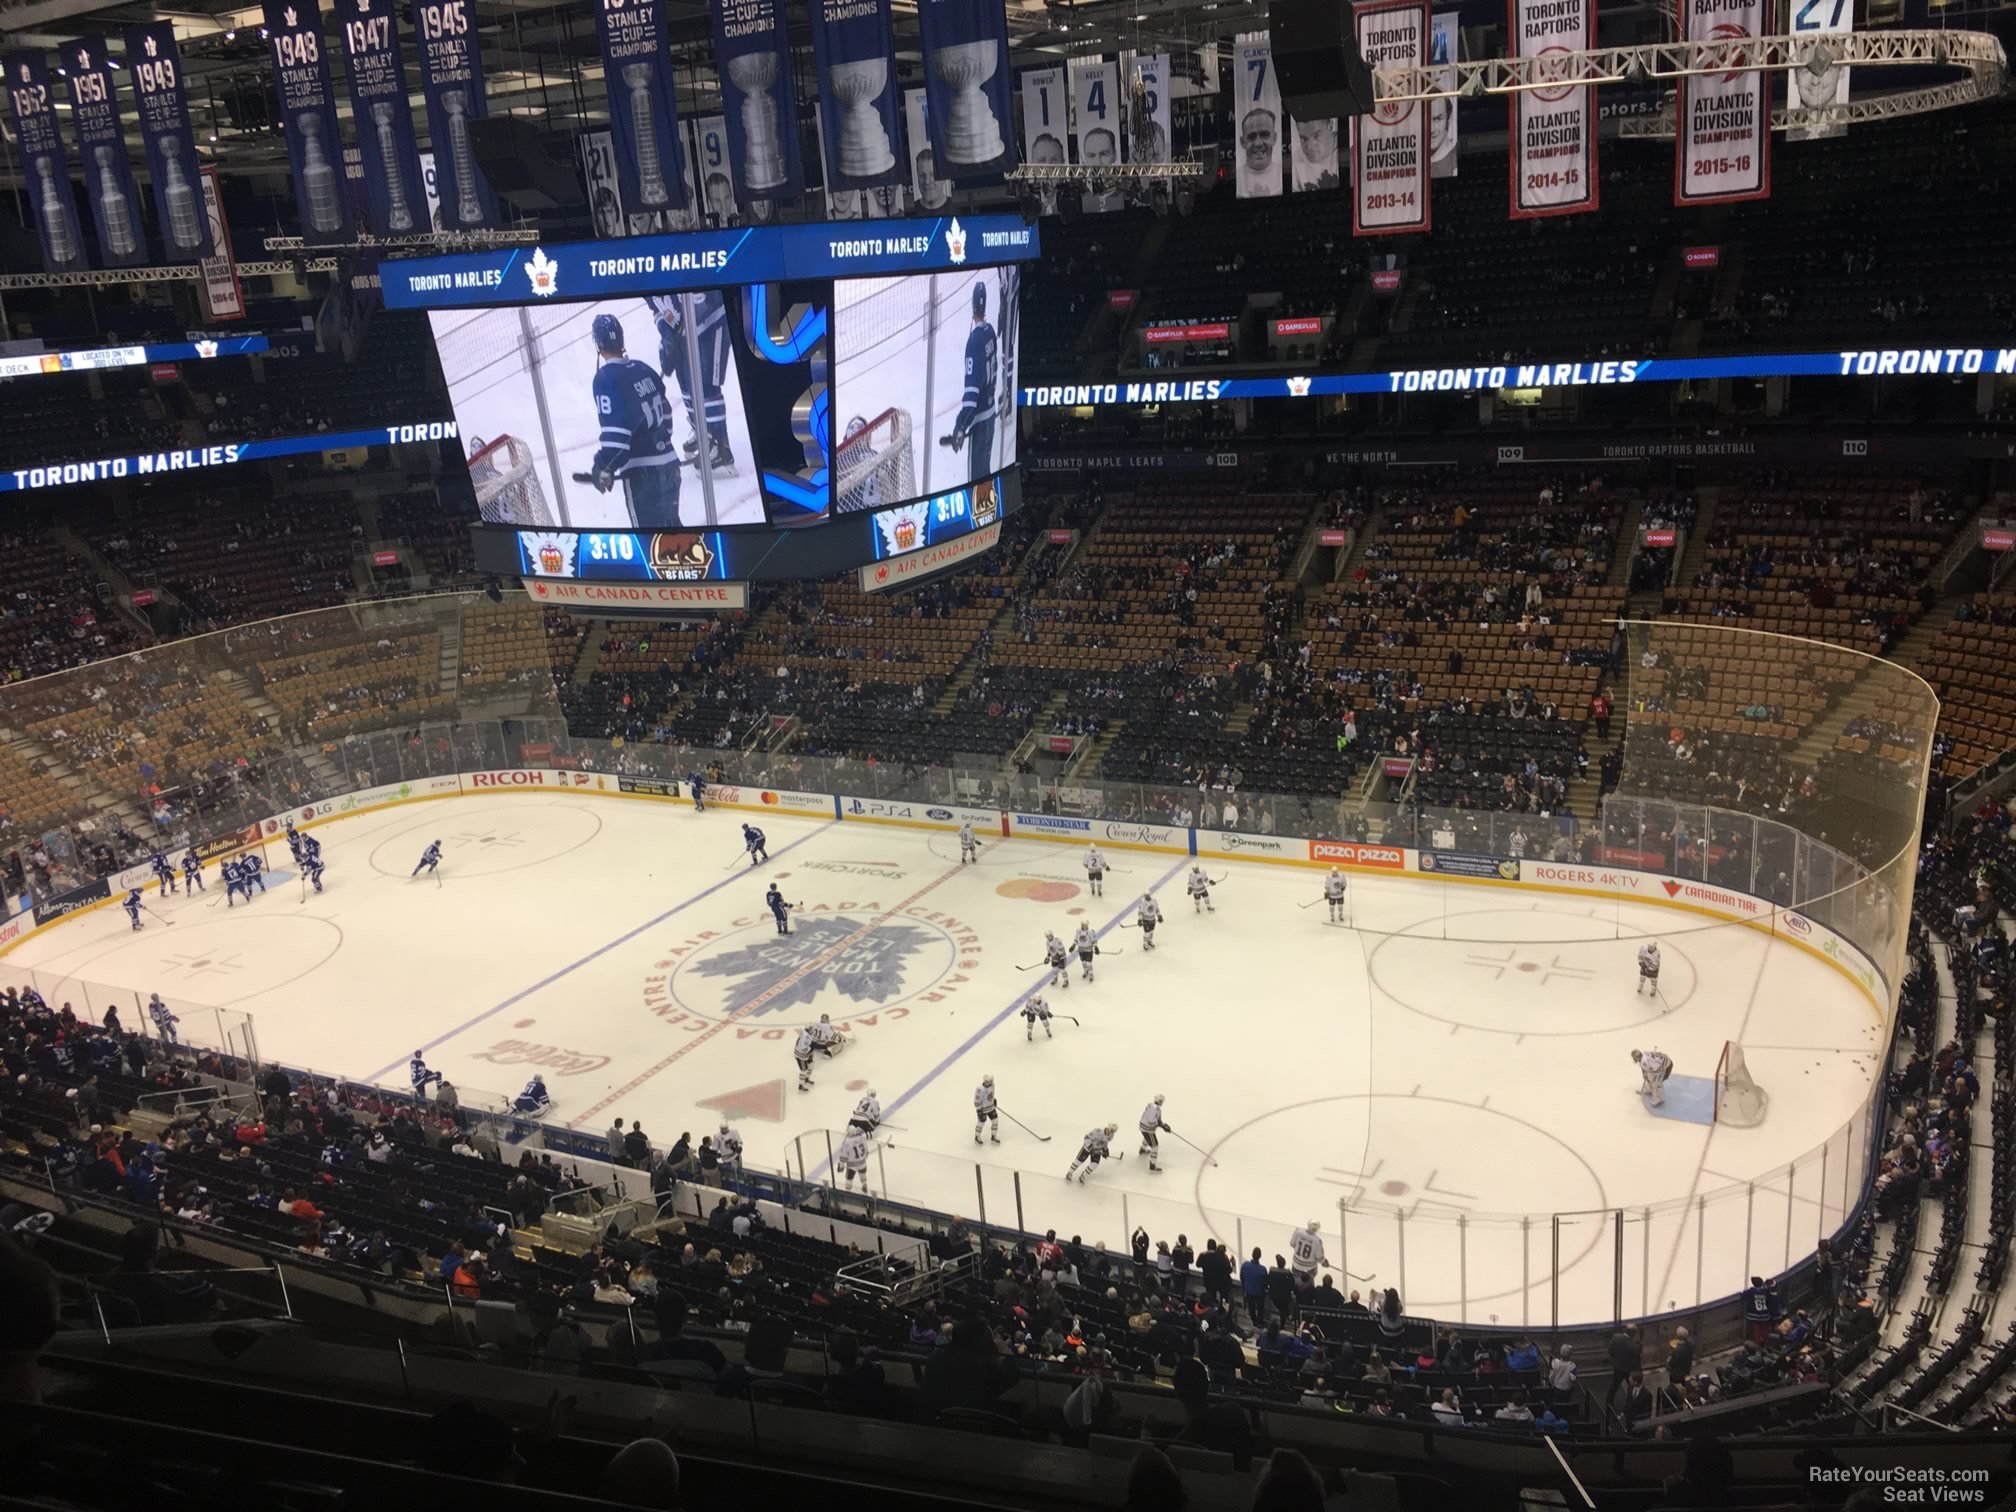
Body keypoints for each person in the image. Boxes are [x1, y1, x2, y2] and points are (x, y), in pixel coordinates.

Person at [588, 312, 683, 527]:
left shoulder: (606, 379)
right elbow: (666, 416)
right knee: (675, 538)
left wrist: (604, 465)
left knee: (652, 547)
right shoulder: (644, 370)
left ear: (598, 344)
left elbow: (617, 439)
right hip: (670, 467)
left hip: (644, 477)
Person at [650, 289, 736, 476]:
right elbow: (656, 307)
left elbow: (708, 298)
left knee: (706, 385)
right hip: (685, 330)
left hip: (712, 322)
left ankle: (722, 448)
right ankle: (703, 432)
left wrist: (683, 328)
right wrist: (667, 337)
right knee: (686, 382)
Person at [947, 280, 999, 474]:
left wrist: (960, 426)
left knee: (977, 483)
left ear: (972, 305)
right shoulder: (991, 332)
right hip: (991, 415)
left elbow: (971, 400)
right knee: (986, 475)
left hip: (979, 423)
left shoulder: (974, 342)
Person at [1138, 1094, 1173, 1173]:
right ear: (1160, 1101)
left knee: (1147, 1138)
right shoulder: (1155, 1109)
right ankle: (1152, 1165)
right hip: (1148, 1129)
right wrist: (1162, 1126)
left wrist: (1163, 1124)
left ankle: (1142, 1149)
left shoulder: (1152, 1106)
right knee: (1155, 1146)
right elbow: (1151, 1120)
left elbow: (1157, 1119)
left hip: (1143, 1127)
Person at [1289, 1219, 1326, 1286]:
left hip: (1296, 1265)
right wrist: (1323, 1261)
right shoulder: (1317, 1241)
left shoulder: (1298, 1232)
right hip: (1310, 1269)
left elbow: (1292, 1244)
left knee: (1295, 1284)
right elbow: (1320, 1258)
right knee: (1308, 1286)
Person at [835, 1126, 871, 1190]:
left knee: (849, 1179)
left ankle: (848, 1191)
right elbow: (866, 1150)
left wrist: (841, 1166)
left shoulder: (847, 1141)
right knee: (863, 1175)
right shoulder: (861, 1138)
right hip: (862, 1163)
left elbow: (843, 1156)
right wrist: (863, 1157)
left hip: (852, 1166)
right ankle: (864, 1185)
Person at [1241, 1246, 1270, 1324]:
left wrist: (1245, 1286)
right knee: (1260, 1307)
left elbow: (1242, 1277)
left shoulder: (1245, 1265)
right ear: (1260, 1256)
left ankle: (1254, 1320)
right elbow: (1265, 1282)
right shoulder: (1262, 1269)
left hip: (1249, 1291)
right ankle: (1259, 1321)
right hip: (1259, 1292)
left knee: (1251, 1306)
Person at [974, 1074, 1000, 1143]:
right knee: (981, 1122)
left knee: (995, 1121)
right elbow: (977, 1100)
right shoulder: (980, 1089)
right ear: (985, 1081)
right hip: (982, 1109)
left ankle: (993, 1136)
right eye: (989, 1081)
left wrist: (993, 1100)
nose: (991, 1082)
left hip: (991, 1107)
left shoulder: (992, 1085)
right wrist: (979, 1111)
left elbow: (992, 1093)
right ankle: (977, 1136)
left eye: (992, 1081)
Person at [793, 1026, 817, 1091]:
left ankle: (806, 1079)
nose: (813, 1030)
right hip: (801, 1056)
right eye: (812, 1029)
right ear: (809, 1030)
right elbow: (803, 1049)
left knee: (811, 1065)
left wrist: (811, 1051)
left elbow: (797, 1029)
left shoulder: (806, 1034)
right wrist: (811, 1048)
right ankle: (801, 1085)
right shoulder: (805, 1037)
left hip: (806, 1054)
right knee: (804, 1071)